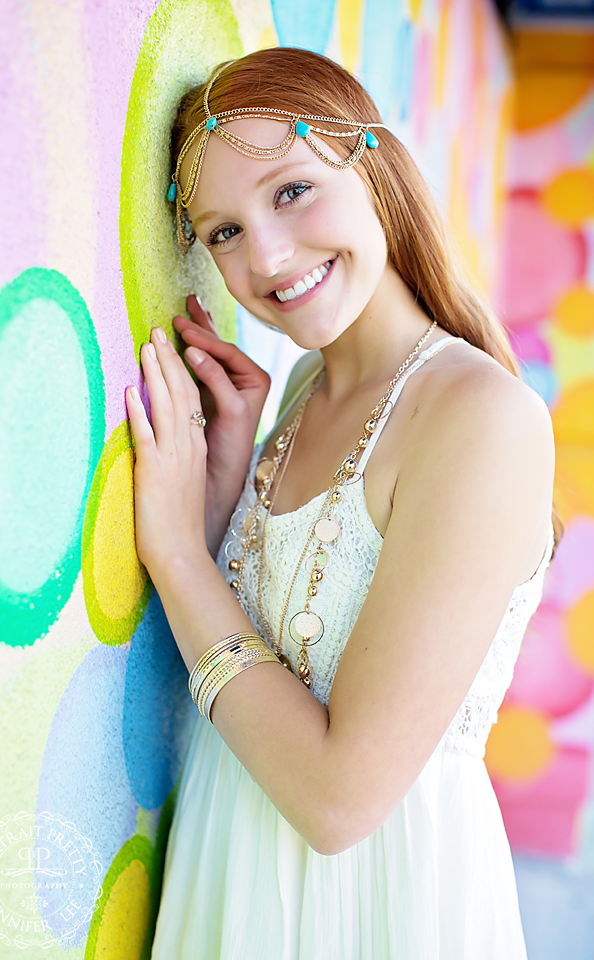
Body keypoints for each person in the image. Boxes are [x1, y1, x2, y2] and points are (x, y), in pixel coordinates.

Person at [125, 48, 557, 960]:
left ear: (375, 167)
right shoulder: (299, 395)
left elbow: (337, 799)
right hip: (233, 871)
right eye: (223, 234)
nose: (268, 258)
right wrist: (225, 490)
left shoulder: (483, 420)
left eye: (289, 192)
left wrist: (176, 554)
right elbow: (273, 661)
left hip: (377, 910)